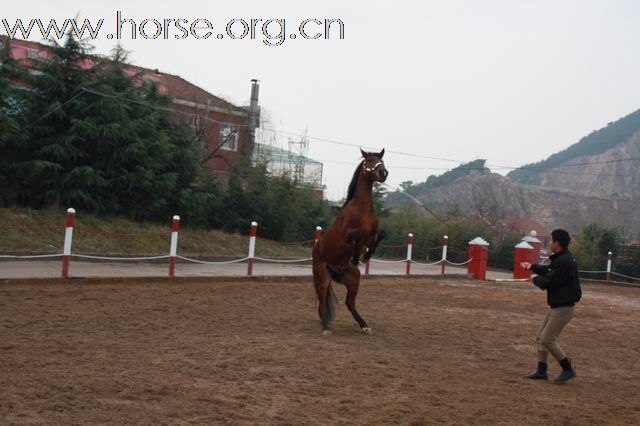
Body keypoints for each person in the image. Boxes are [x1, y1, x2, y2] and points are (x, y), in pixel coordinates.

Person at [520, 229, 582, 384]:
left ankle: (567, 369)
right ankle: (542, 371)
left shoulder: (563, 261)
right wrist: (532, 267)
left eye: (551, 241)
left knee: (547, 339)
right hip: (558, 306)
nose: (550, 244)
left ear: (557, 243)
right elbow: (549, 270)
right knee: (541, 336)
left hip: (563, 308)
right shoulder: (562, 259)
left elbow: (549, 282)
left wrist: (535, 279)